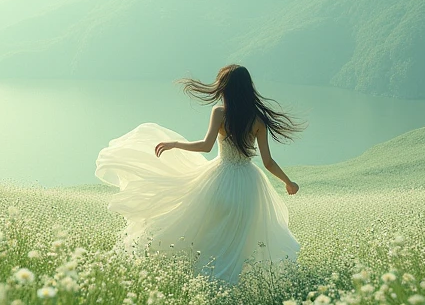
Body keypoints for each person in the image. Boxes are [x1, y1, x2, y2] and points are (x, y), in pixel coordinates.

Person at [95, 64, 303, 285]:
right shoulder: (258, 120)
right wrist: (288, 183)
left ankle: (205, 279)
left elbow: (206, 146)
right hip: (248, 186)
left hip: (220, 180)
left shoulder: (221, 113)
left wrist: (175, 144)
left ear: (226, 88)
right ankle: (228, 282)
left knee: (210, 234)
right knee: (238, 239)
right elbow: (268, 162)